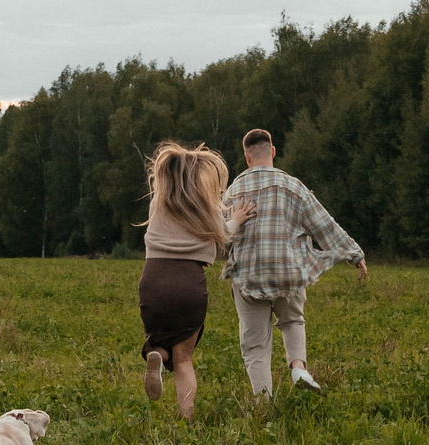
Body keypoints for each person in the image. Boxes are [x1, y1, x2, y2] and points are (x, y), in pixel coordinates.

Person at [220, 128, 365, 395]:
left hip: (249, 276)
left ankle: (264, 404)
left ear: (247, 157)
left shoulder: (232, 191)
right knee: (292, 321)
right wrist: (354, 253)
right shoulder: (294, 186)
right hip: (288, 272)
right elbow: (323, 225)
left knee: (255, 345)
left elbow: (222, 236)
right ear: (273, 151)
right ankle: (298, 367)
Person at [136, 141, 254, 420]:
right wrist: (237, 218)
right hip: (189, 281)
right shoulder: (204, 204)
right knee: (185, 360)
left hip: (153, 278)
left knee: (162, 335)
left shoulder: (158, 202)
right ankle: (187, 420)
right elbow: (224, 235)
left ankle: (158, 354)